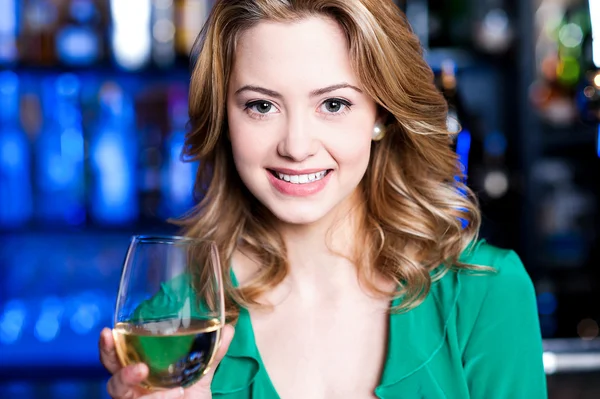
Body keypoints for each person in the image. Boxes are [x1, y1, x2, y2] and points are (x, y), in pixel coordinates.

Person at [99, 0, 548, 398]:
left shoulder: (486, 293)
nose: (296, 145)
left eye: (333, 104)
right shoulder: (174, 324)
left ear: (381, 114)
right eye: (261, 105)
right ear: (224, 118)